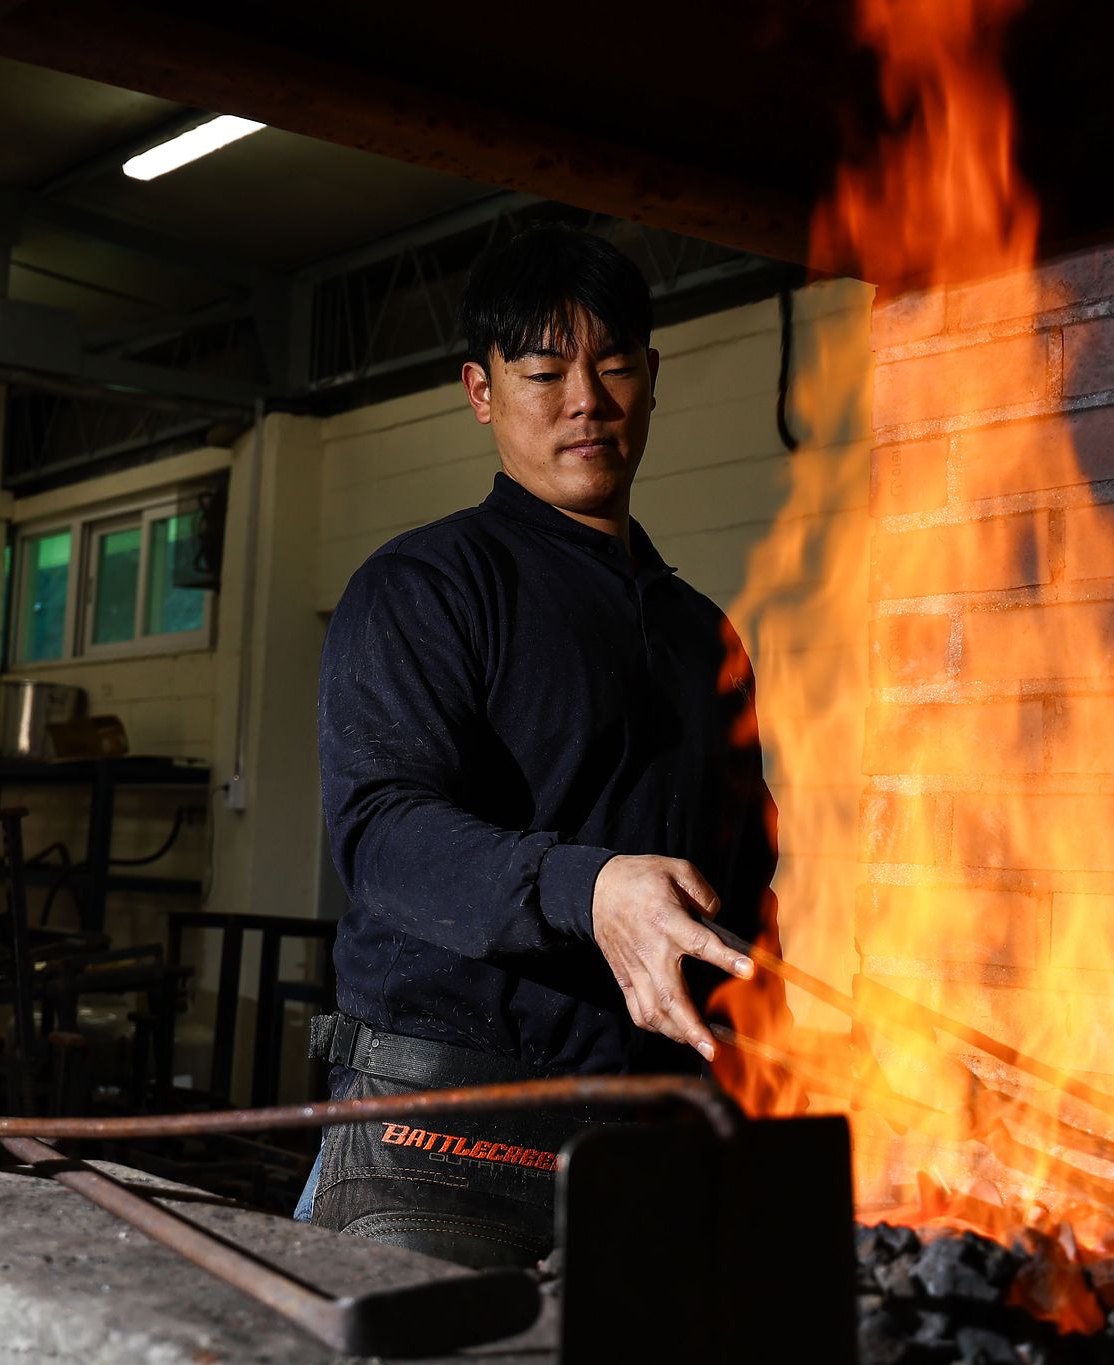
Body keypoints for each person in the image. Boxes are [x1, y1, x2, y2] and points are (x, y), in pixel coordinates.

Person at [298, 224, 781, 1266]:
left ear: (650, 377)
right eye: (543, 372)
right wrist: (591, 888)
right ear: (480, 391)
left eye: (612, 367)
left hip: (653, 1132)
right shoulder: (426, 587)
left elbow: (747, 875)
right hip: (445, 1123)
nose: (585, 402)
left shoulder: (702, 634)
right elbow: (381, 836)